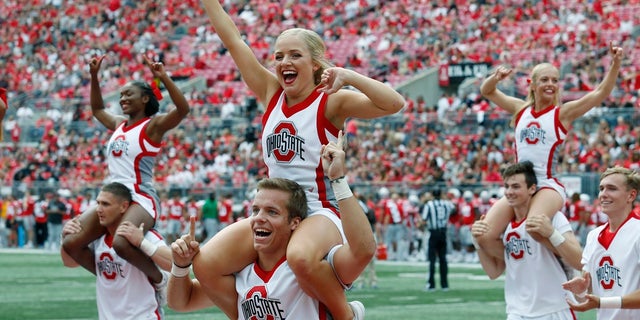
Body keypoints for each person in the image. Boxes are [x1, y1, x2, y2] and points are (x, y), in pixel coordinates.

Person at [194, 1, 405, 319]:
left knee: (301, 257)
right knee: (207, 263)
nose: (284, 62)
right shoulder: (270, 93)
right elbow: (233, 40)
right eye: (278, 56)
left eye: (294, 55)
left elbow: (394, 103)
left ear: (315, 63)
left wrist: (348, 76)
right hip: (275, 210)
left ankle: (345, 314)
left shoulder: (331, 101)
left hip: (319, 211)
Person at [167, 132, 375, 319]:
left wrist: (338, 180)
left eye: (272, 212)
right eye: (256, 210)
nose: (258, 218)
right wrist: (181, 266)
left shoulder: (314, 268)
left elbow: (363, 250)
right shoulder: (241, 276)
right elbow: (181, 302)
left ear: (294, 223)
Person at [477, 42, 624, 259]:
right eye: (545, 79)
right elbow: (486, 91)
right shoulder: (520, 109)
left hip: (547, 185)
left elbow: (600, 92)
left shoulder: (561, 114)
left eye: (555, 80)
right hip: (520, 185)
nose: (551, 84)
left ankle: (575, 263)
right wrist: (496, 77)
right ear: (532, 84)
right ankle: (515, 265)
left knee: (535, 227)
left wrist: (615, 63)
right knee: (485, 235)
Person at [61, 53, 190, 293]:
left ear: (144, 98)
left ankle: (159, 280)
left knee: (121, 242)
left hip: (140, 196)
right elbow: (98, 108)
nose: (122, 99)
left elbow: (183, 109)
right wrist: (94, 76)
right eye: (120, 95)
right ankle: (108, 279)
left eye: (128, 94)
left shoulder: (152, 126)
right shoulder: (119, 124)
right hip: (113, 195)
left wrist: (163, 78)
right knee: (71, 242)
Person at [472, 161, 582, 319]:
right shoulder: (505, 226)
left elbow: (579, 260)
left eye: (516, 187)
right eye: (507, 186)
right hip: (517, 311)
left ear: (532, 189)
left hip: (554, 309)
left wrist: (551, 233)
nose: (509, 192)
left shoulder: (552, 218)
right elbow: (493, 272)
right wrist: (477, 242)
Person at [61, 182, 172, 320]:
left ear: (124, 207)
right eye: (98, 203)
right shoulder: (98, 240)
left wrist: (142, 243)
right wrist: (65, 237)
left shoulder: (142, 234)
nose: (98, 210)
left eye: (105, 204)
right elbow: (69, 263)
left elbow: (174, 263)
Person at [562, 166, 640, 319]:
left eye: (611, 189)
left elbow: (600, 301)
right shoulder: (593, 236)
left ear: (631, 196)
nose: (603, 194)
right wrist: (581, 290)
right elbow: (587, 296)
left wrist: (602, 303)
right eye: (601, 188)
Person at [421, 188, 457, 291]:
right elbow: (454, 209)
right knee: (443, 259)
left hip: (434, 232)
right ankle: (444, 285)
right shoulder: (446, 204)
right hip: (443, 233)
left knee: (432, 259)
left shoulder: (429, 205)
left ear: (432, 195)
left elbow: (424, 220)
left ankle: (431, 285)